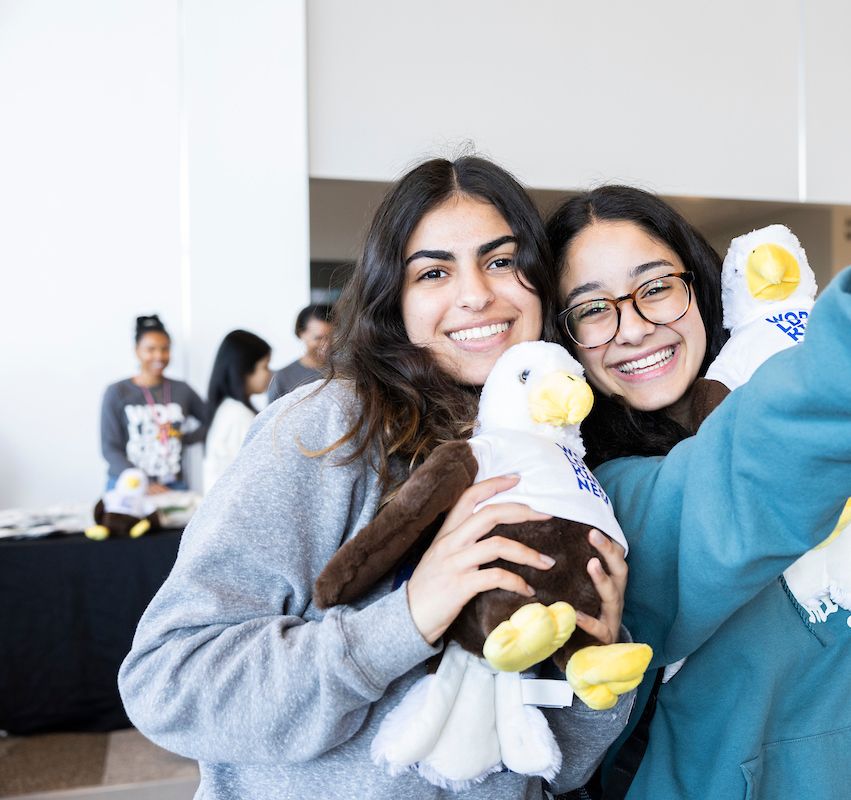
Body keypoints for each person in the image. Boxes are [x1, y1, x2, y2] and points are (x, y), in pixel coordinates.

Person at [543, 54, 851, 800]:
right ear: (566, 338)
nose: (634, 327)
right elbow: (756, 463)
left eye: (655, 289)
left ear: (702, 291)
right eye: (592, 308)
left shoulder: (830, 438)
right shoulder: (612, 503)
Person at [118, 156, 634, 799]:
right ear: (395, 297)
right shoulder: (328, 428)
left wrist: (592, 676)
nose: (476, 294)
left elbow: (548, 773)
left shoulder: (559, 459)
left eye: (501, 261)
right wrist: (404, 619)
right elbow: (168, 682)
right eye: (435, 271)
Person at [100, 315, 207, 493]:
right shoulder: (117, 392)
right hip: (130, 485)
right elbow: (110, 448)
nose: (159, 356)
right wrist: (144, 482)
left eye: (165, 349)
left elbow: (210, 418)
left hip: (172, 486)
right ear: (137, 351)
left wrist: (184, 438)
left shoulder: (182, 390)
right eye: (150, 349)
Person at [202, 329, 273, 494]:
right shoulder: (240, 417)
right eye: (265, 366)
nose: (269, 373)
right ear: (244, 370)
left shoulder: (227, 408)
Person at [267, 303, 333, 404]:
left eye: (331, 338)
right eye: (318, 338)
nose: (326, 345)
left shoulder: (347, 373)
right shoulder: (283, 377)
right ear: (301, 334)